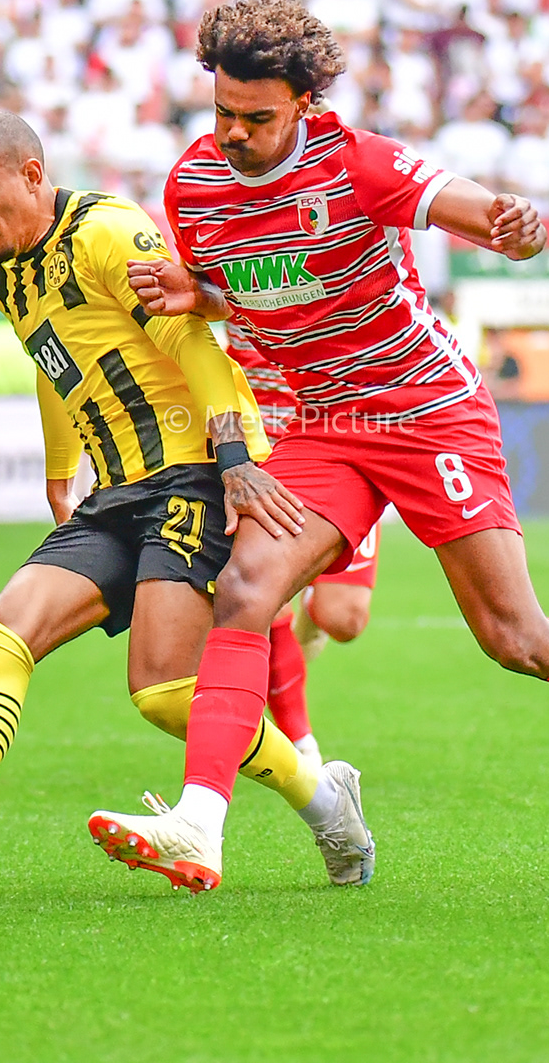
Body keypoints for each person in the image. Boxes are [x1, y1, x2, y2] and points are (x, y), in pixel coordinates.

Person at [91, 0, 549, 893]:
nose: (234, 133)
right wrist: (195, 295)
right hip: (321, 425)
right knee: (247, 589)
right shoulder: (192, 184)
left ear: (303, 103)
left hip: (426, 412)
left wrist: (512, 225)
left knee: (515, 637)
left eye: (257, 118)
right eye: (223, 112)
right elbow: (240, 286)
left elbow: (471, 209)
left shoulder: (357, 163)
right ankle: (199, 825)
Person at [0, 112, 376, 888]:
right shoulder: (8, 275)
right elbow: (55, 362)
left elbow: (194, 343)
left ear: (33, 176)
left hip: (194, 472)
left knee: (164, 692)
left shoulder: (108, 231)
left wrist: (233, 459)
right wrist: (61, 468)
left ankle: (323, 800)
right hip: (116, 490)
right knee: (3, 630)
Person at [224, 319, 383, 768]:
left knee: (345, 619)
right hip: (261, 457)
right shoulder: (228, 277)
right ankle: (301, 743)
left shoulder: (340, 281)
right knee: (265, 599)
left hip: (340, 448)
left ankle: (310, 616)